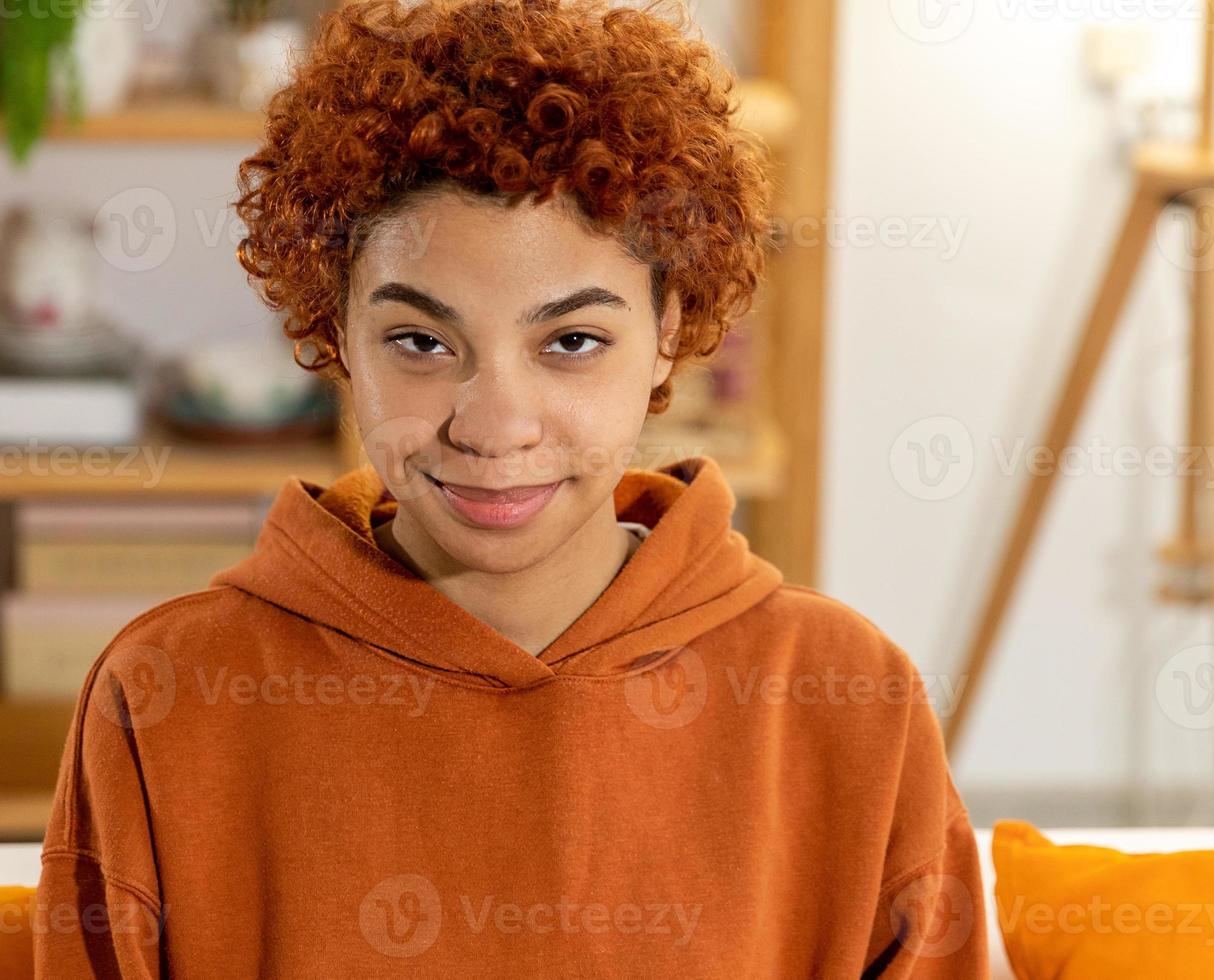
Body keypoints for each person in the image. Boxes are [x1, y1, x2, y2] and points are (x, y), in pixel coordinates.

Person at [33, 0, 986, 974]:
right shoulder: (164, 697)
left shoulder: (849, 703)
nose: (493, 425)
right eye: (421, 341)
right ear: (337, 330)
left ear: (670, 327)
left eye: (571, 341)